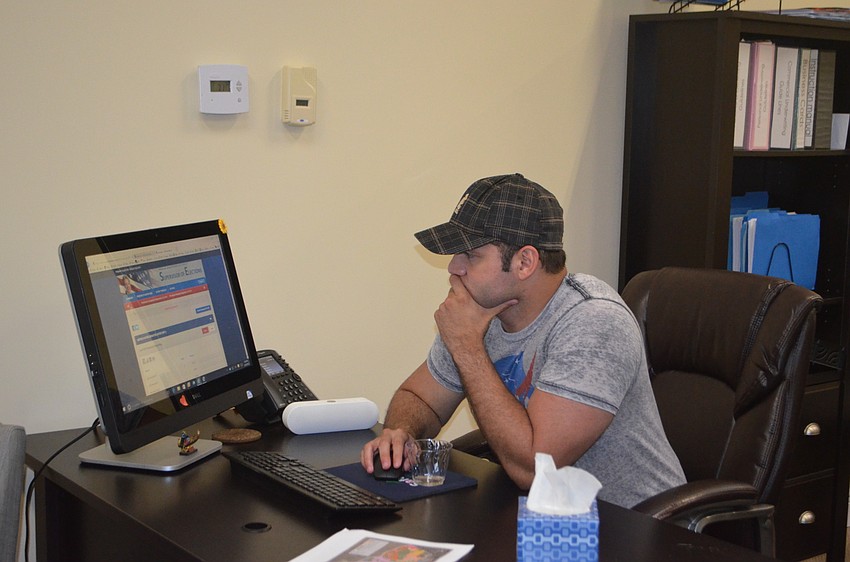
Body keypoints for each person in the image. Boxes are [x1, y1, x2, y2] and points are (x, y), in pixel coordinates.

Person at [360, 173, 685, 508]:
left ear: (525, 262)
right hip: (545, 519)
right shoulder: (478, 312)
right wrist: (400, 433)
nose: (453, 268)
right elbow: (420, 398)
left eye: (470, 255)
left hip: (635, 529)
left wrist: (467, 347)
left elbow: (535, 469)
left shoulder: (594, 322)